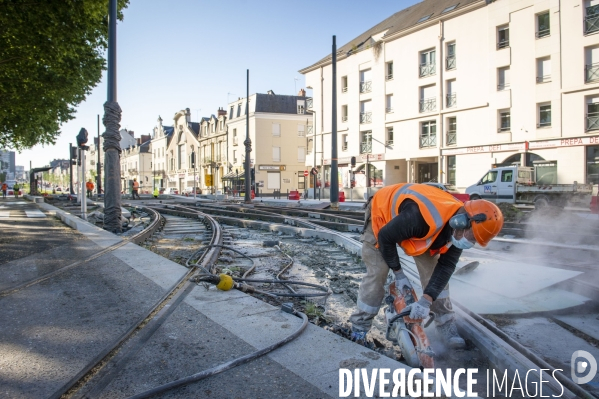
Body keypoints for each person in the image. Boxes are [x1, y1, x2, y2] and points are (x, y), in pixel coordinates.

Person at [349, 183, 503, 349]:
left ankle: (446, 325)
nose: (470, 242)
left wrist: (426, 300)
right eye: (472, 237)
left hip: (414, 227)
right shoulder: (420, 218)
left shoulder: (455, 229)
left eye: (475, 241)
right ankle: (359, 327)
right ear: (461, 221)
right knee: (378, 272)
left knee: (433, 274)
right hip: (381, 213)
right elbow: (386, 237)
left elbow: (446, 267)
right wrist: (399, 274)